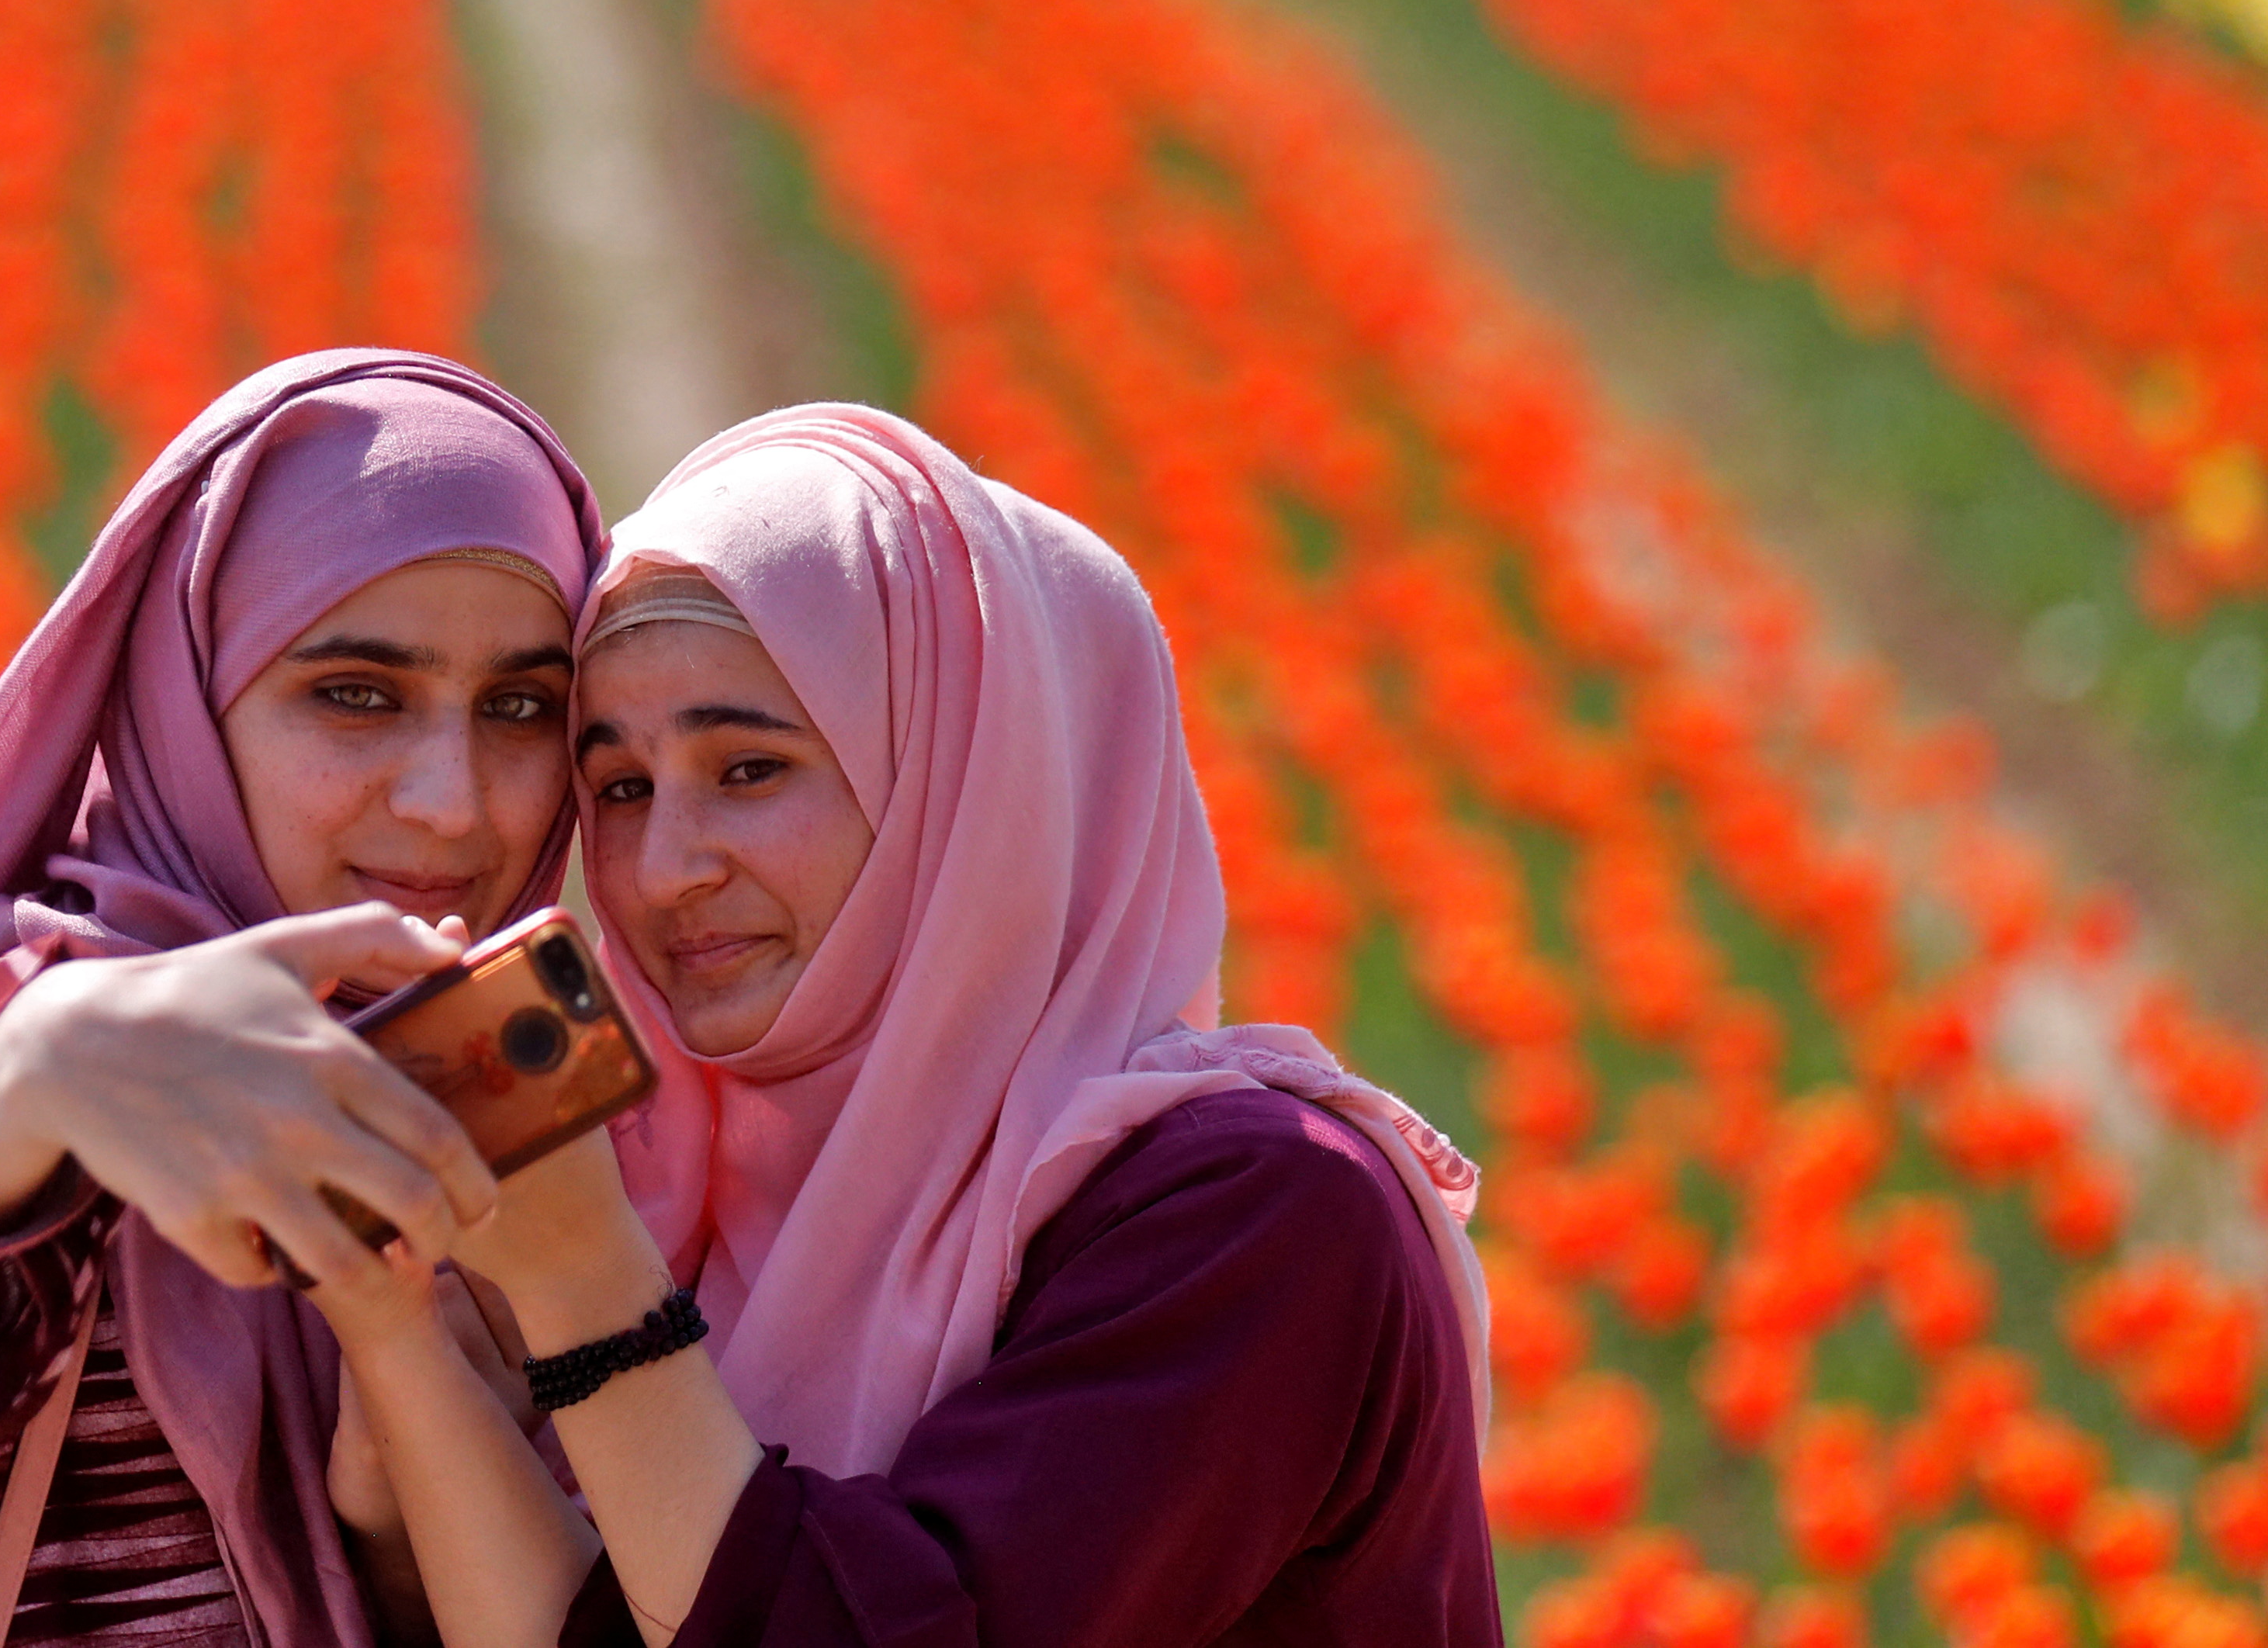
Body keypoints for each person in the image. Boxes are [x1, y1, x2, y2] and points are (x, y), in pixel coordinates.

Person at [311, 406, 1501, 1647]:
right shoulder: (679, 1207)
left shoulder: (1266, 1217)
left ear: (974, 792)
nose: (661, 871)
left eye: (749, 768)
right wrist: (393, 1333)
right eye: (618, 787)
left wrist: (586, 1288)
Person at [0, 349, 613, 1648]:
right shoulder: (23, 1034)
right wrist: (54, 1054)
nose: (451, 801)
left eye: (520, 706)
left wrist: (405, 1506)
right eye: (355, 693)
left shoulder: (539, 1101)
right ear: (185, 693)